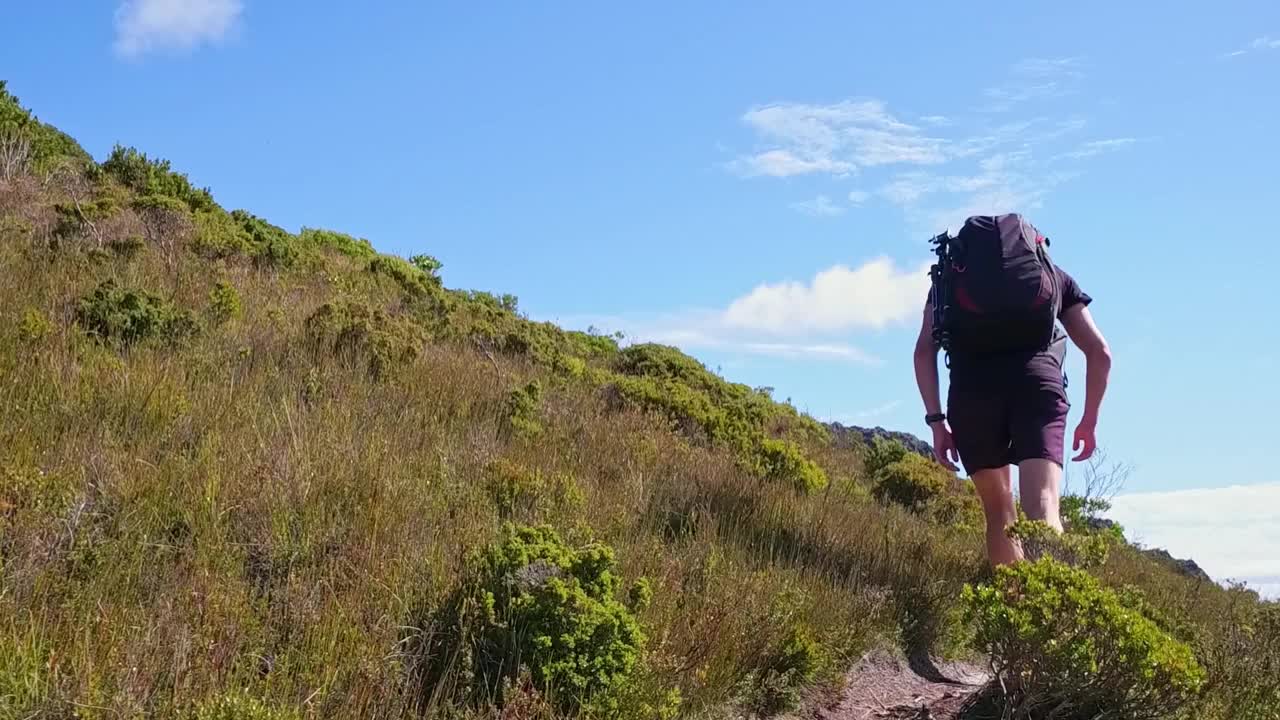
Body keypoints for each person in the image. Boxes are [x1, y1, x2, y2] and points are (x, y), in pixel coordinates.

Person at [912, 215, 1113, 567]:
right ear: (1033, 245)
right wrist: (1089, 421)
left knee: (999, 512)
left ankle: (1014, 609)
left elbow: (923, 352)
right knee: (1044, 504)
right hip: (1039, 389)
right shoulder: (1053, 277)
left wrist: (936, 422)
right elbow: (1100, 353)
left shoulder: (949, 282)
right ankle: (1054, 610)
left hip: (972, 396)